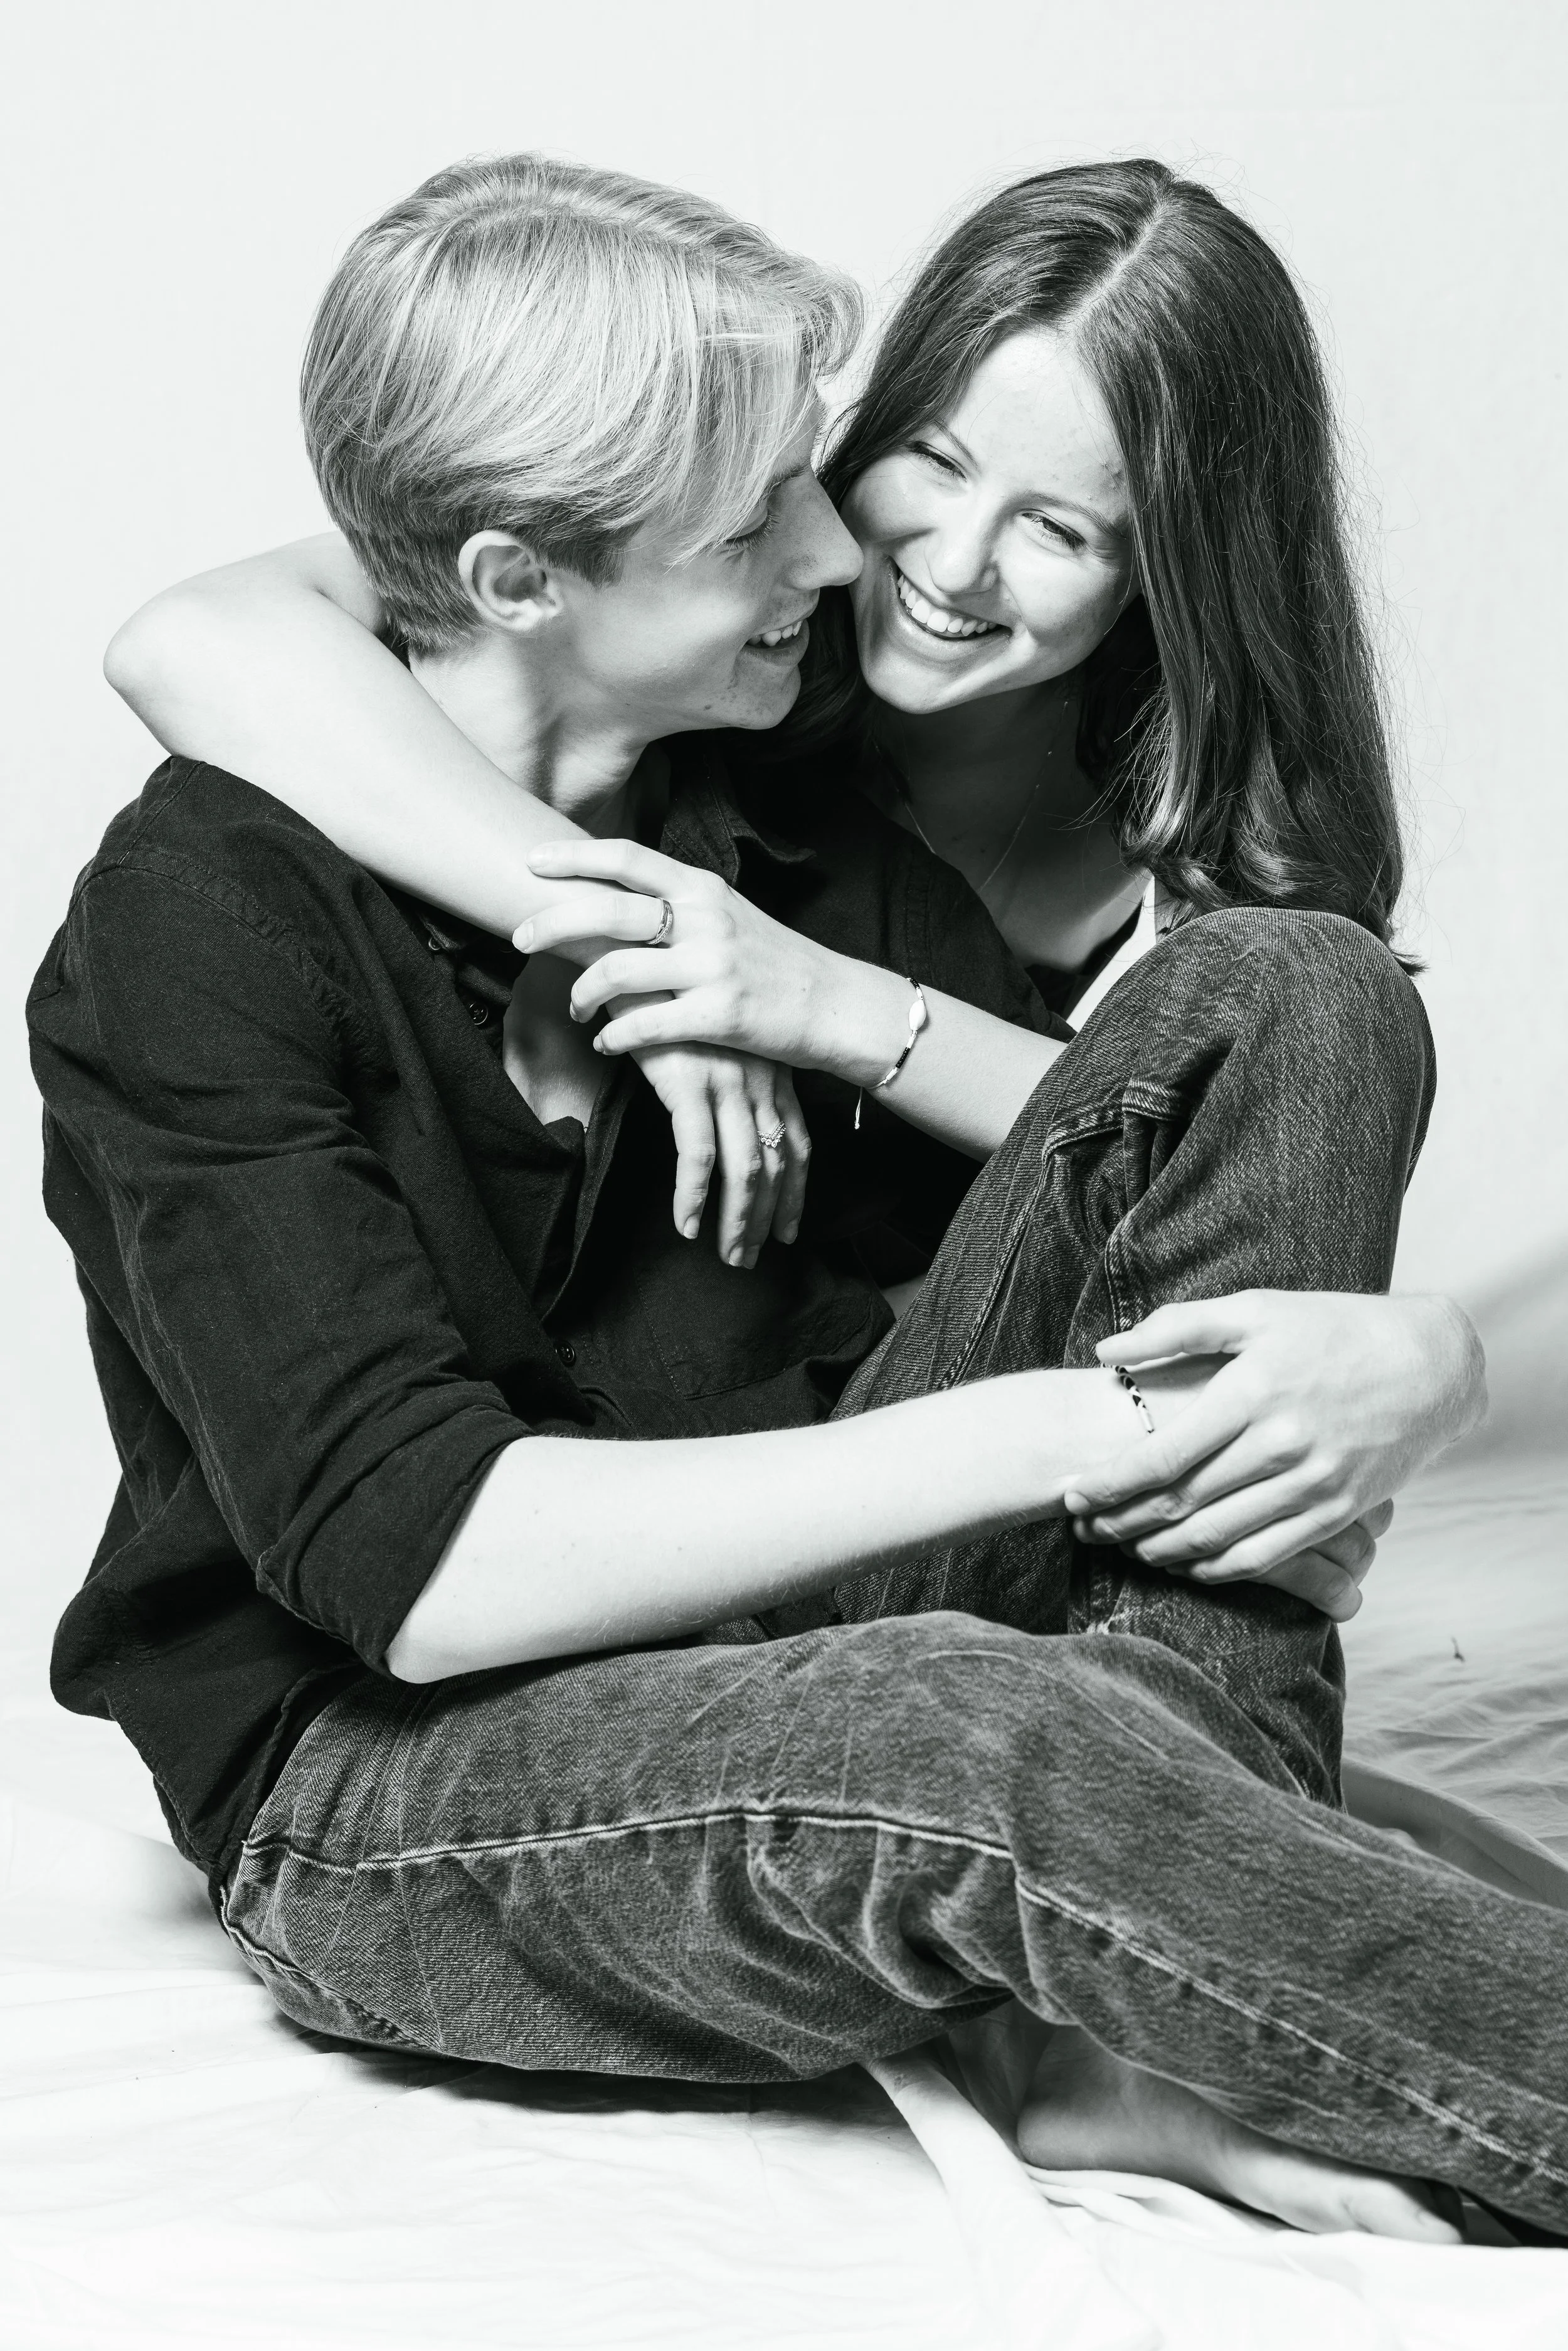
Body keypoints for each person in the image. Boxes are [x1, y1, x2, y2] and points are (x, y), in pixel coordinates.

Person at [39, 154, 1565, 2248]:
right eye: (778, 501)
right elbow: (426, 1572)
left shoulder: (779, 832)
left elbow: (1095, 1169)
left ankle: (1137, 2005)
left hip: (807, 1628)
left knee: (1291, 982)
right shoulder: (206, 914)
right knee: (984, 1728)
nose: (845, 543)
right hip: (387, 1783)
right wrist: (1093, 1430)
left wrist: (1408, 1354)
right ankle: (1192, 1949)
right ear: (517, 575)